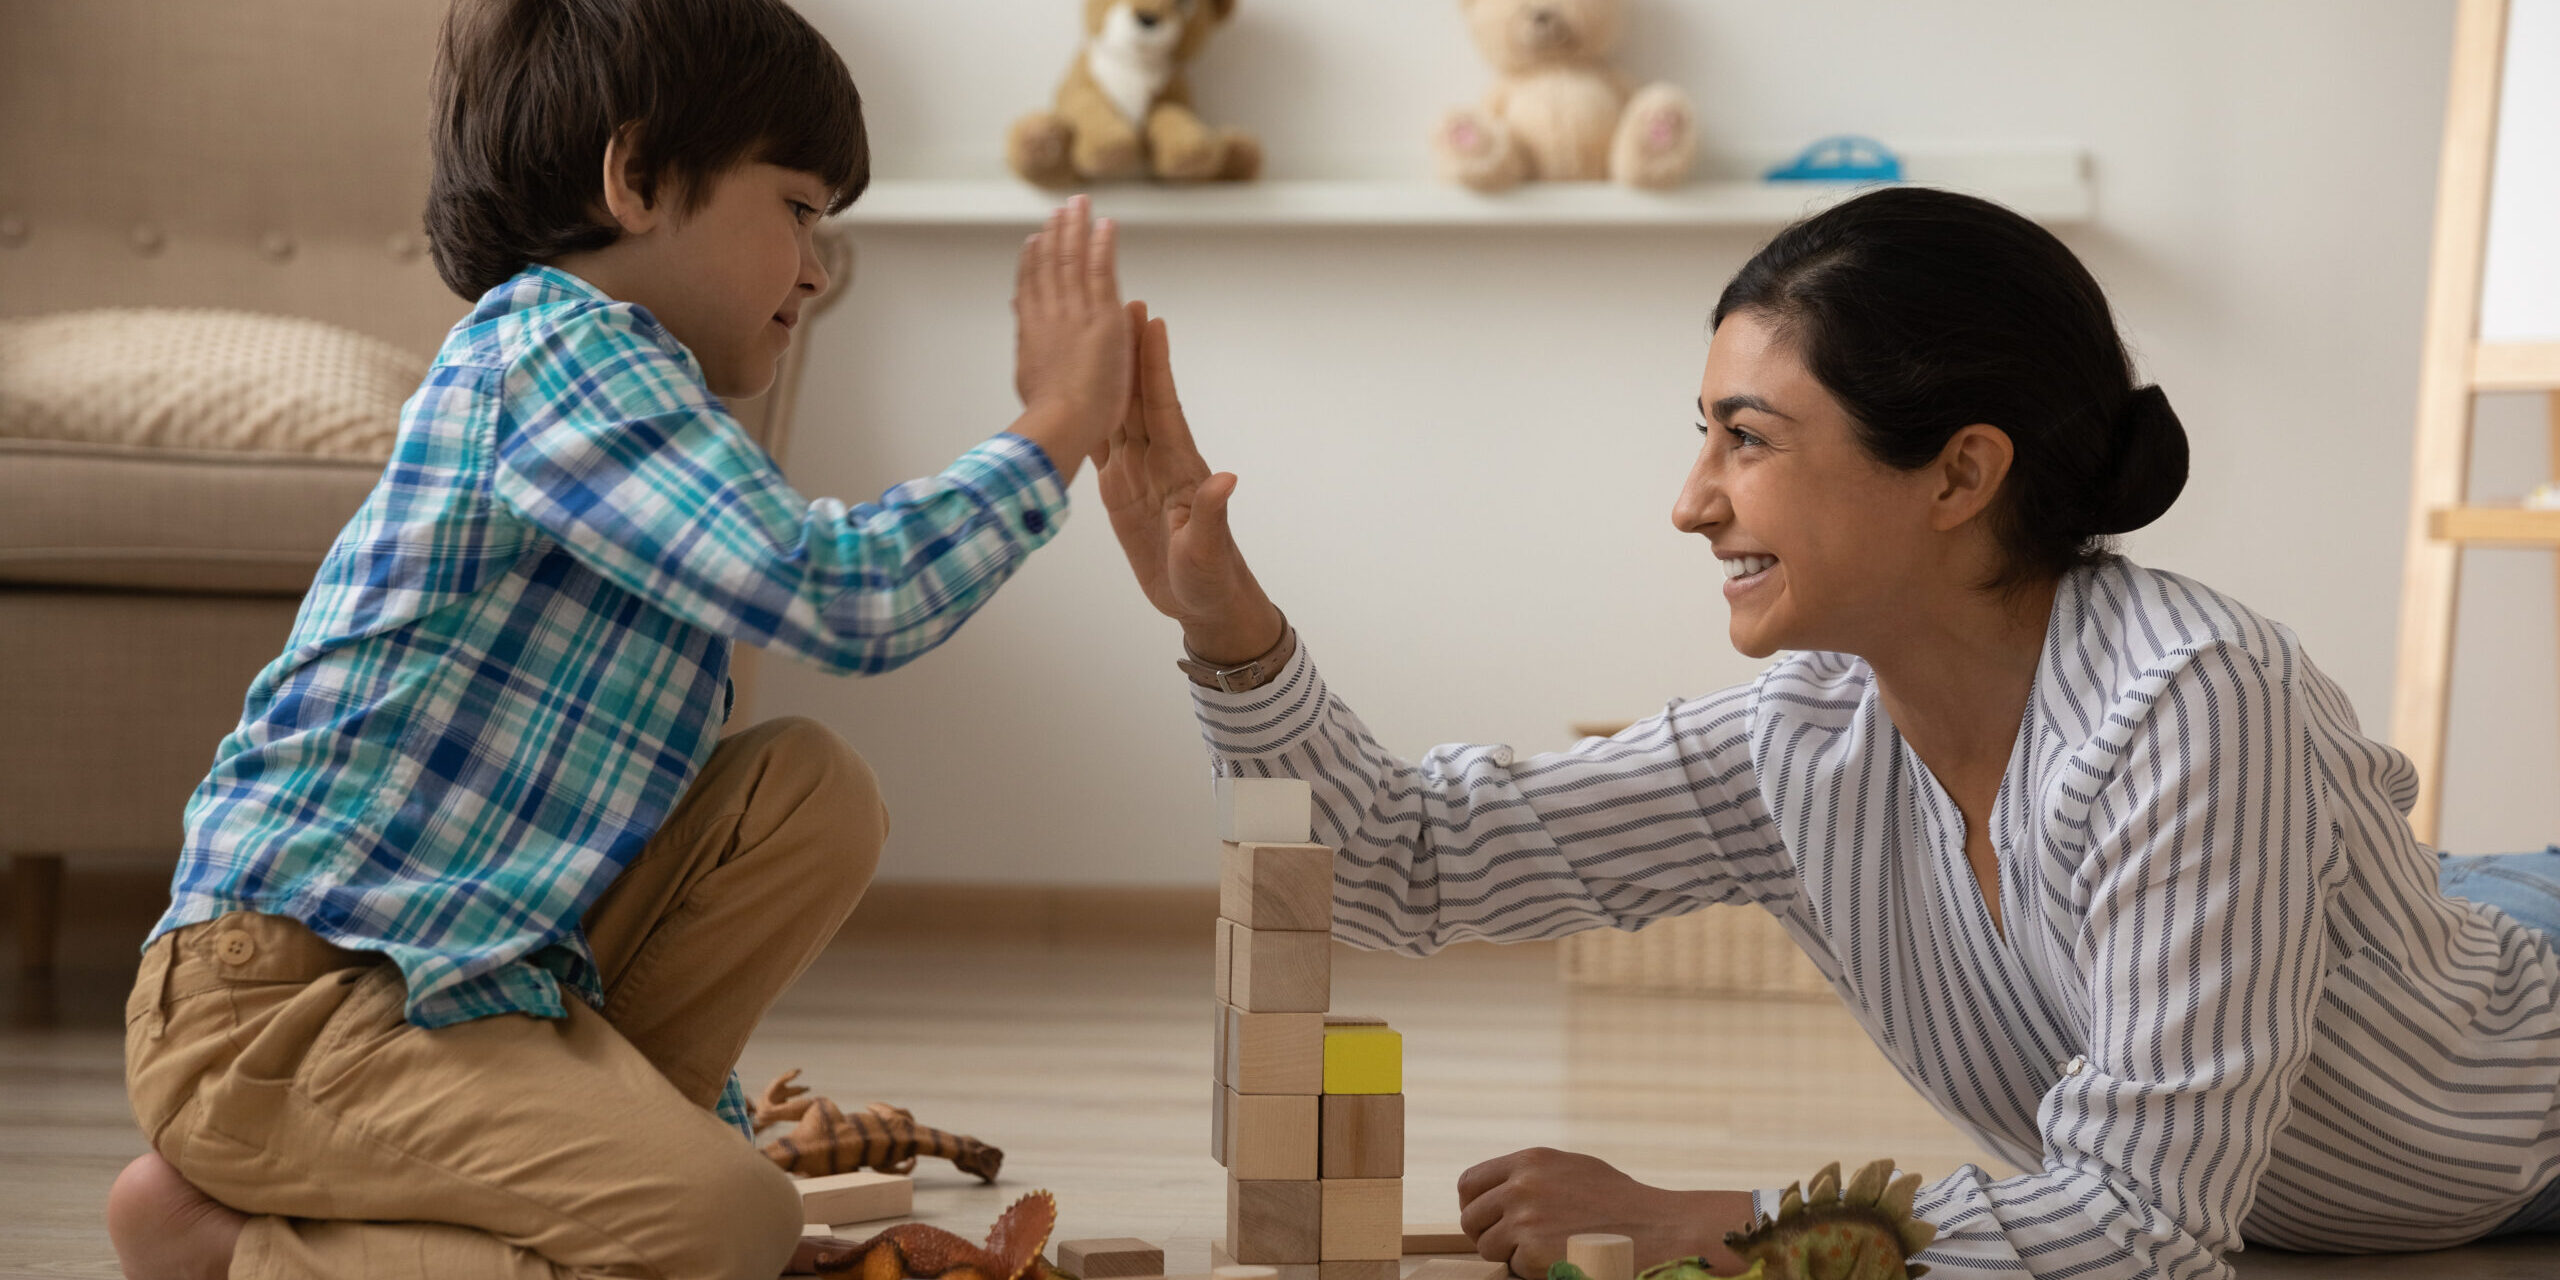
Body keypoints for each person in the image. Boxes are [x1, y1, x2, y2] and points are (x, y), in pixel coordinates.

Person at [1098, 185, 2560, 1280]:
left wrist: (1732, 1226)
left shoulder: (2192, 702)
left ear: (1958, 472)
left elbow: (2141, 1231)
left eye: (1748, 438)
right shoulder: (1804, 738)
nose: (1691, 499)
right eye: (1703, 433)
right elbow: (1400, 865)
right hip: (2408, 927)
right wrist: (1221, 620)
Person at [104, 1, 1138, 1276]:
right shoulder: (563, 349)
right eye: (800, 211)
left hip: (461, 984)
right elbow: (844, 594)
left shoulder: (632, 395)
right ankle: (233, 1249)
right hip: (290, 1010)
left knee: (805, 789)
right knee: (732, 1224)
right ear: (637, 178)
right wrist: (1056, 423)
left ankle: (599, 1183)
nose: (817, 270)